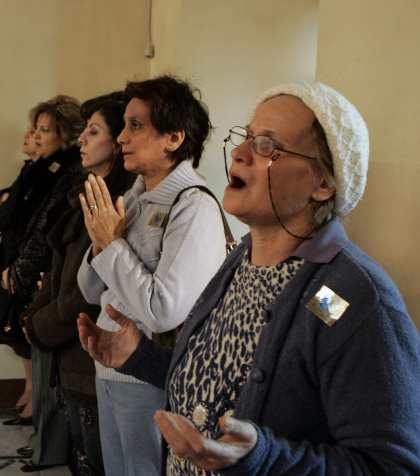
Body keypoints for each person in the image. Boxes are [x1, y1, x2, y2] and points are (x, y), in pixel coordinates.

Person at [78, 81, 420, 475]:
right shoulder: (242, 260)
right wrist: (139, 357)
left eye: (268, 146)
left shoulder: (343, 296)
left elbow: (390, 466)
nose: (238, 154)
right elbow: (216, 386)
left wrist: (262, 458)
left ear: (324, 184)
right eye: (246, 137)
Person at [76, 75, 228, 475]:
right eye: (124, 124)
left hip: (148, 376)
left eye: (136, 125)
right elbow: (91, 289)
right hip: (109, 367)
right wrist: (101, 243)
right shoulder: (136, 198)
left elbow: (164, 310)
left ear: (173, 138)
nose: (122, 137)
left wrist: (112, 246)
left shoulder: (193, 207)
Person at [23, 93, 136, 475]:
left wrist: (40, 324)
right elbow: (60, 269)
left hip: (87, 356)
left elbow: (91, 294)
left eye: (94, 131)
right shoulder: (84, 193)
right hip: (71, 354)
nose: (82, 141)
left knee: (95, 463)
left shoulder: (117, 204)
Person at [7, 95, 87, 471]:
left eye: (45, 129)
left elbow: (48, 231)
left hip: (53, 281)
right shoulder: (51, 169)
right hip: (38, 273)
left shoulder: (73, 172)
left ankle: (50, 449)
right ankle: (44, 443)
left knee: (50, 368)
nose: (37, 136)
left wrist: (25, 269)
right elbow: (19, 215)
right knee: (35, 355)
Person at [0, 118, 43, 423]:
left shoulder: (48, 173)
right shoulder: (30, 169)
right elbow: (5, 203)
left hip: (24, 263)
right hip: (13, 259)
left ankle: (33, 397)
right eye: (33, 130)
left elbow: (16, 213)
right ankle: (28, 392)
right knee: (14, 333)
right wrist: (2, 200)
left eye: (38, 132)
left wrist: (7, 203)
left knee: (22, 334)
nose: (29, 136)